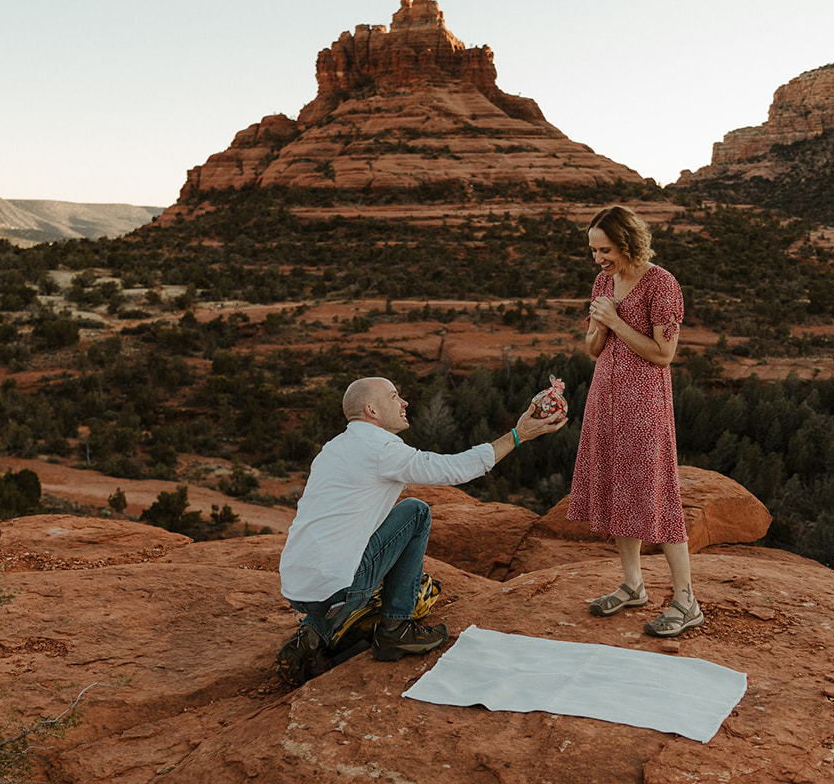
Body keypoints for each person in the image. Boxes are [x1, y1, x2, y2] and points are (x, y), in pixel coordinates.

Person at [279, 376, 567, 663]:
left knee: (359, 543)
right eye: (394, 397)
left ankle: (315, 629)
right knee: (415, 512)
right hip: (336, 588)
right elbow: (455, 469)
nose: (404, 402)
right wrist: (518, 435)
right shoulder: (381, 448)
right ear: (372, 410)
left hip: (298, 587)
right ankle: (396, 629)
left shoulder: (332, 448)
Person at [567, 204, 699, 637]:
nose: (597, 259)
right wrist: (601, 326)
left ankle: (686, 600)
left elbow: (663, 355)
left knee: (654, 494)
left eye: (603, 249)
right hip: (606, 397)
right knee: (619, 490)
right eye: (593, 250)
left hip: (644, 404)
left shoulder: (662, 285)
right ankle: (633, 584)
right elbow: (591, 347)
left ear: (626, 242)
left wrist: (615, 321)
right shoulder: (605, 281)